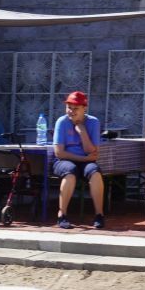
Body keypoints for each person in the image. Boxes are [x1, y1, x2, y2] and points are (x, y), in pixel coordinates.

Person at [52, 90, 106, 230]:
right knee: (70, 171)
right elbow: (59, 153)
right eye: (69, 107)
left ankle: (99, 214)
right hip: (64, 161)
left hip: (86, 161)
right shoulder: (62, 122)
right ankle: (62, 214)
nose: (71, 111)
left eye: (76, 108)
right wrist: (82, 158)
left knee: (95, 172)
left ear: (84, 108)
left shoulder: (93, 122)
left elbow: (92, 153)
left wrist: (82, 132)